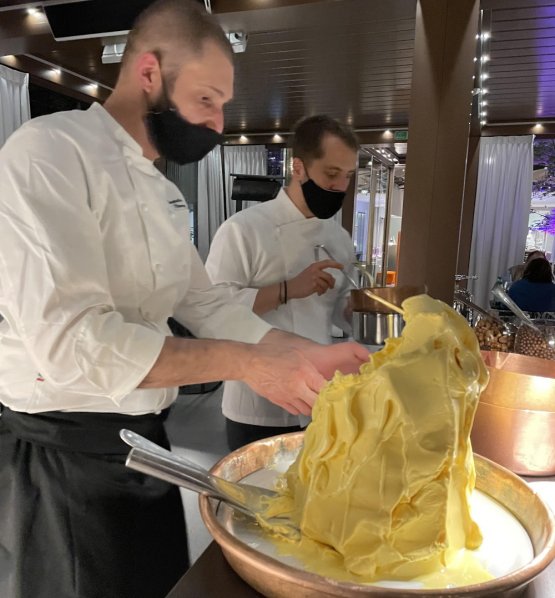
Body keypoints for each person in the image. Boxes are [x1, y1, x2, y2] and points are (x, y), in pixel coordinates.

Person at [0, 3, 368, 598]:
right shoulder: (49, 153)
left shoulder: (164, 194)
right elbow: (71, 345)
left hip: (144, 441)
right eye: (207, 100)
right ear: (149, 73)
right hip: (63, 454)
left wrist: (303, 351)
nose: (219, 123)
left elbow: (208, 303)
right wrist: (249, 364)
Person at [205, 115, 359, 451]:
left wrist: (360, 306)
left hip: (320, 398)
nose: (339, 187)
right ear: (299, 168)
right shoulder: (243, 229)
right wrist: (289, 289)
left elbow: (341, 314)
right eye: (331, 174)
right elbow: (211, 309)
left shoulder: (339, 237)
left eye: (347, 177)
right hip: (256, 404)